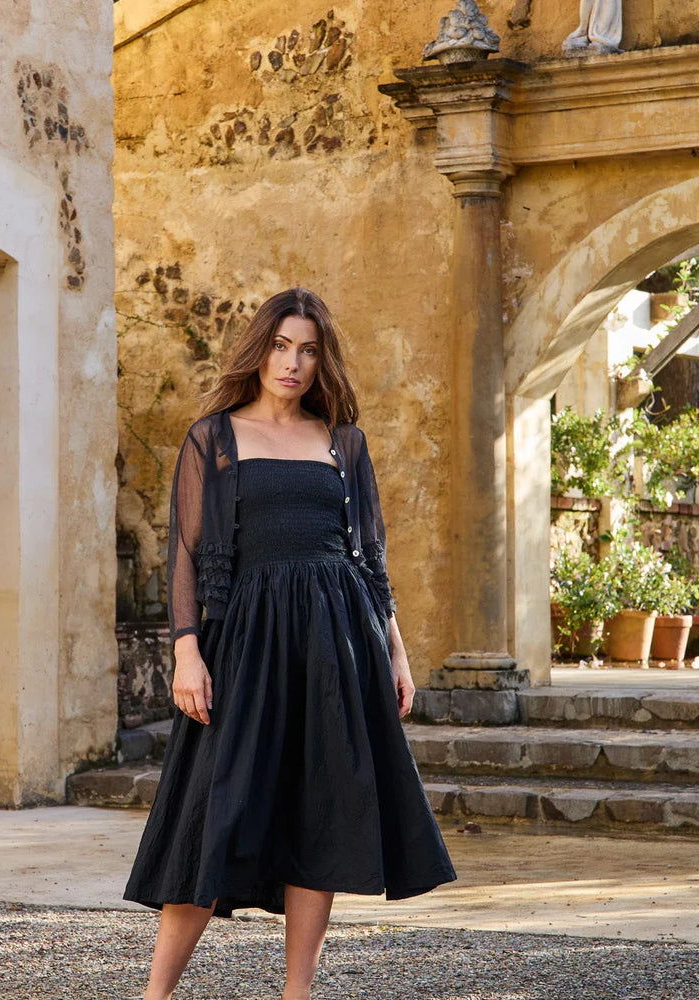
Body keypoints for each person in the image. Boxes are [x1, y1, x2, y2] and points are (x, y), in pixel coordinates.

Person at [123, 288, 456, 1000]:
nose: (293, 363)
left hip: (337, 645)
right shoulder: (213, 437)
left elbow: (370, 556)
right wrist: (187, 651)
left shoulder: (344, 443)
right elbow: (185, 554)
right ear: (259, 351)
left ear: (321, 359)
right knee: (211, 812)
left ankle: (296, 992)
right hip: (245, 645)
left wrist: (396, 651)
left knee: (320, 813)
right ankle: (155, 996)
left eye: (308, 350)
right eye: (280, 346)